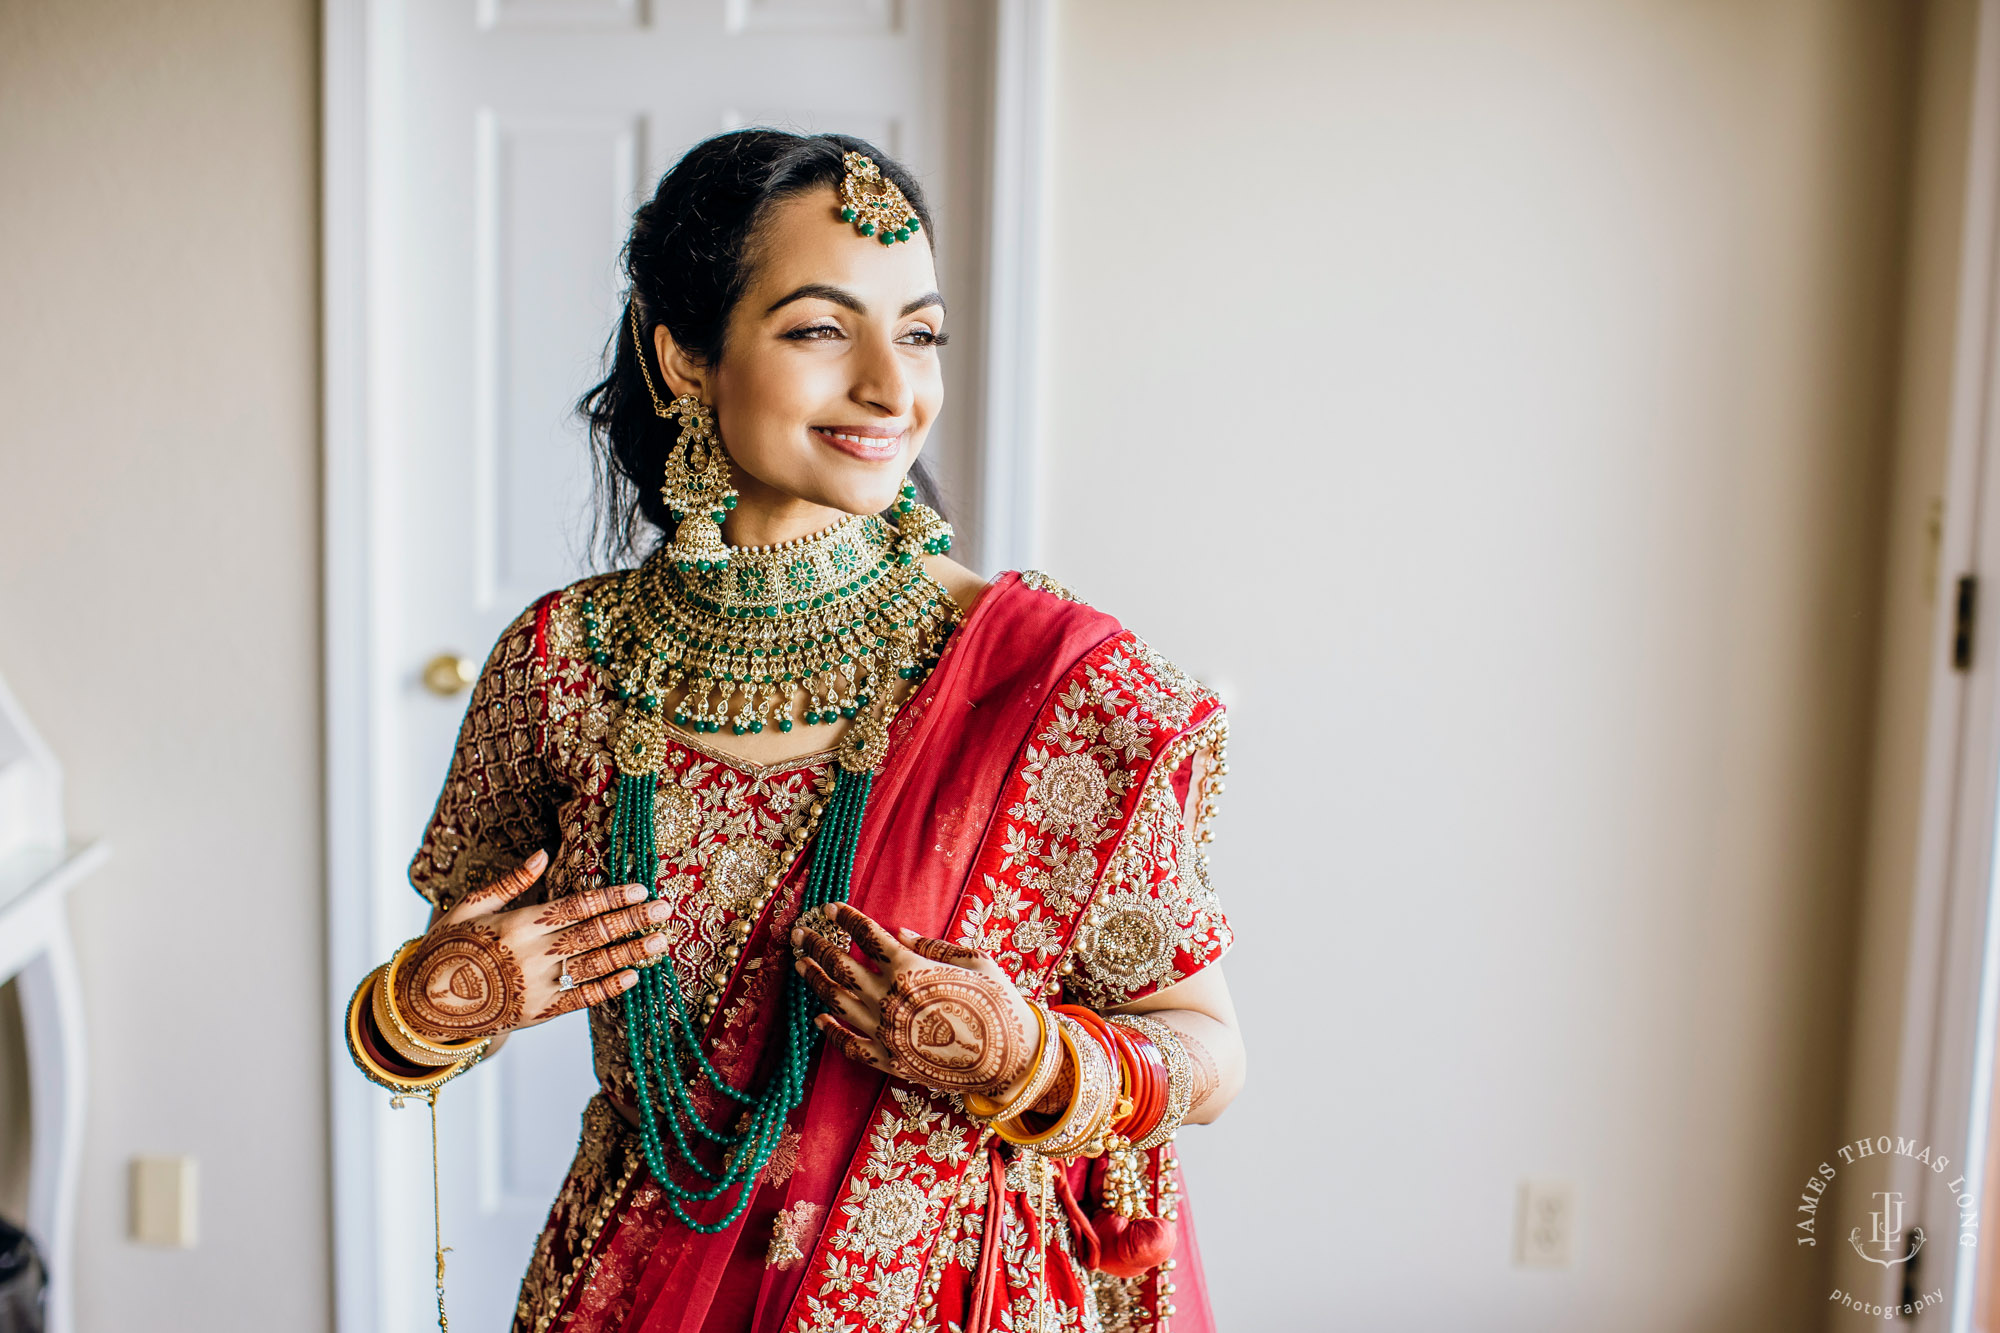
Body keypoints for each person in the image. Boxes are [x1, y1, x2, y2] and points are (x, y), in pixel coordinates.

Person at [344, 130, 1245, 1333]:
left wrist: (1028, 1056)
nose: (891, 386)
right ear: (680, 357)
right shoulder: (563, 664)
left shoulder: (1057, 686)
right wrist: (435, 1004)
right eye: (821, 329)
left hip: (958, 1295)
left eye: (917, 332)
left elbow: (1205, 1048)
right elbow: (426, 1001)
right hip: (639, 1281)